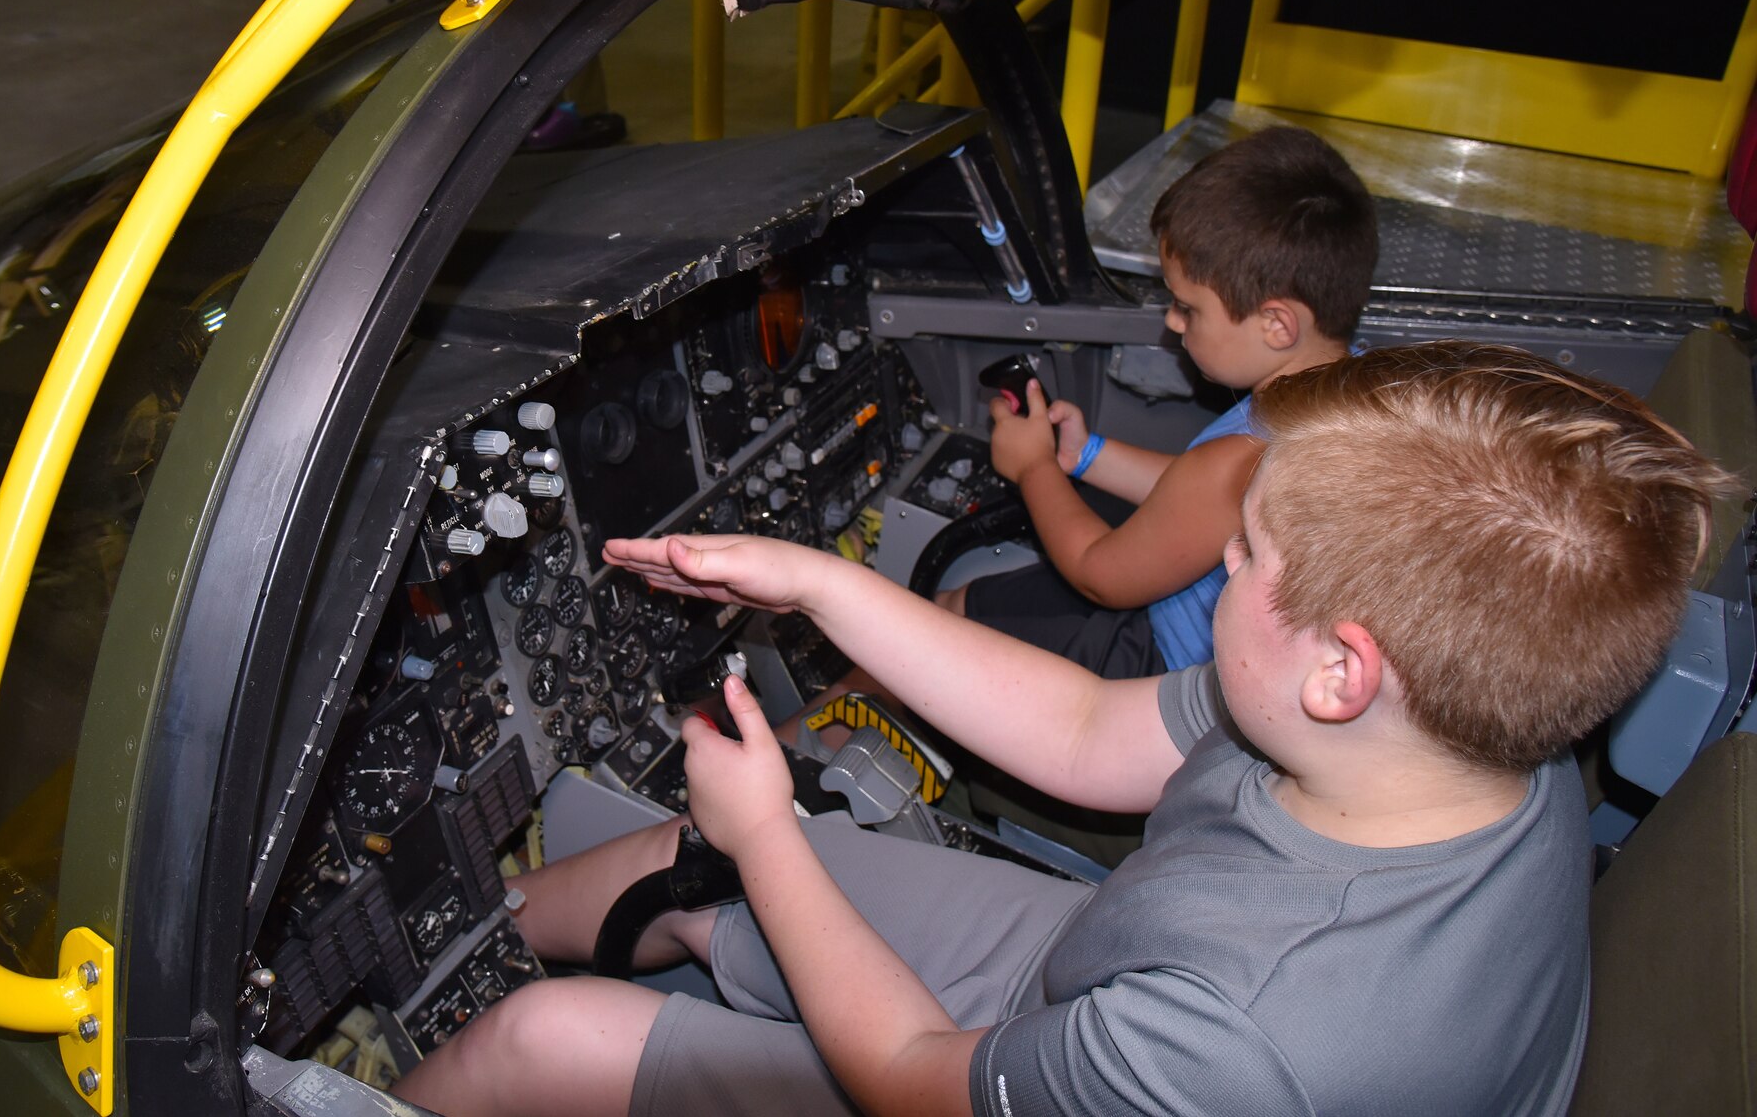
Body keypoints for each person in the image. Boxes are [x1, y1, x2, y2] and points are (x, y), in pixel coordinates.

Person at [391, 341, 1732, 1117]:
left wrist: (769, 836)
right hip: (1136, 968)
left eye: (1246, 553)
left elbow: (911, 1072)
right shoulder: (1471, 732)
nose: (1223, 568)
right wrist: (819, 580)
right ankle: (470, 937)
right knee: (680, 861)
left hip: (1123, 1059)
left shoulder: (1246, 1044)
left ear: (1340, 667)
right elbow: (1093, 729)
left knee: (543, 1037)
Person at [943, 125, 1378, 683]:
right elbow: (1196, 505)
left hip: (1162, 665)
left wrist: (1033, 466)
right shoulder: (1346, 389)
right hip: (1204, 640)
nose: (1172, 323)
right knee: (960, 603)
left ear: (1277, 323)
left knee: (944, 617)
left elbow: (1100, 574)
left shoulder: (1242, 462)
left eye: (1187, 308)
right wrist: (1086, 455)